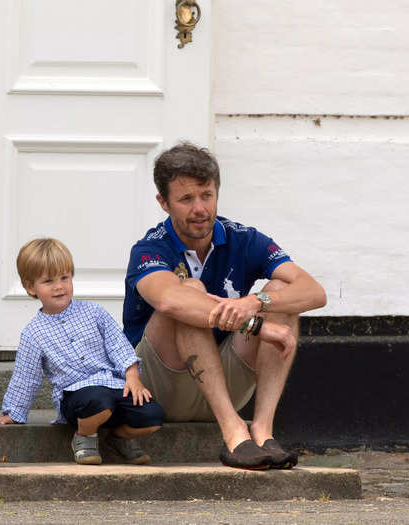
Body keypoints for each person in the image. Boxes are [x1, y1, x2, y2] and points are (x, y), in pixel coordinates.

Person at [123, 142, 326, 470]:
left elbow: (314, 291)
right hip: (158, 387)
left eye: (207, 195)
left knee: (279, 292)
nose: (200, 208)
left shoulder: (244, 238)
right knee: (188, 292)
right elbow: (167, 300)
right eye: (186, 199)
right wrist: (255, 323)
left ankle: (262, 430)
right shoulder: (149, 248)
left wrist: (255, 302)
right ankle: (234, 433)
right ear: (163, 202)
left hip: (223, 376)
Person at [0, 238, 165, 465]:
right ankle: (84, 436)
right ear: (31, 287)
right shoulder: (33, 333)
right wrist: (13, 413)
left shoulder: (94, 312)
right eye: (48, 281)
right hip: (76, 397)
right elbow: (26, 377)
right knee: (98, 400)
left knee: (153, 415)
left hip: (113, 386)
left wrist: (132, 376)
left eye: (64, 278)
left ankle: (119, 438)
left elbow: (119, 345)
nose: (59, 286)